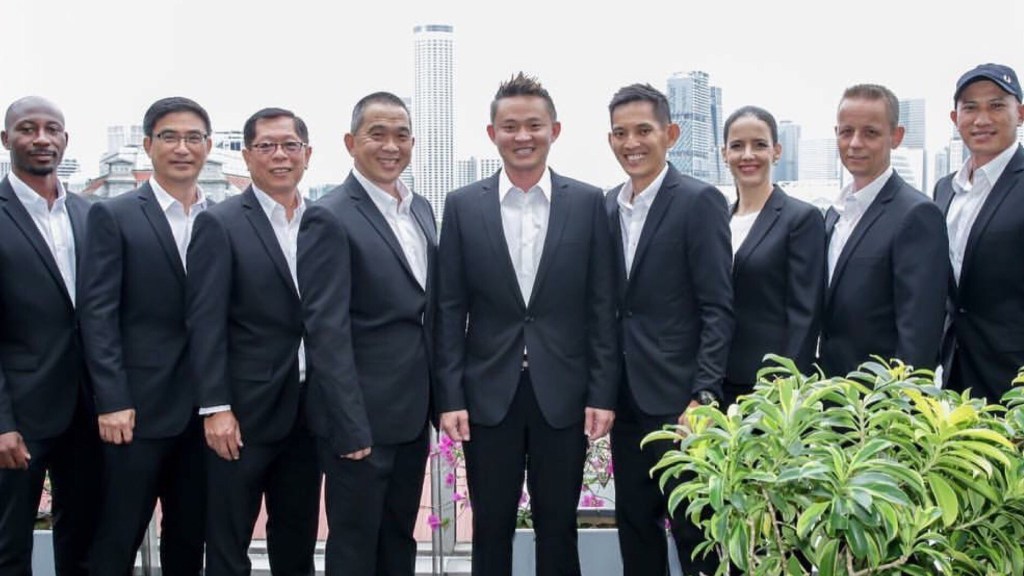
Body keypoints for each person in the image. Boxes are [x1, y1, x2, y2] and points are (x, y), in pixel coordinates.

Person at [435, 72, 617, 576]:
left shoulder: (589, 203)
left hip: (564, 394)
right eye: (510, 126)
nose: (522, 136)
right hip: (488, 395)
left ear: (554, 130)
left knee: (558, 528)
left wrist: (602, 392)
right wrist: (449, 397)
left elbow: (601, 306)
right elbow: (449, 310)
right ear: (491, 133)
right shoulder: (463, 205)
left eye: (534, 125)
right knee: (491, 527)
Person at [297, 91, 435, 576]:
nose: (391, 146)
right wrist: (349, 424)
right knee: (355, 547)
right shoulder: (329, 215)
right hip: (359, 421)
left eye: (401, 135)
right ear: (351, 142)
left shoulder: (420, 210)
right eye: (378, 134)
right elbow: (325, 331)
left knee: (399, 540)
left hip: (411, 415)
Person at [604, 83, 733, 576]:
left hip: (681, 403)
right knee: (635, 526)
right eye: (620, 133)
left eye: (643, 130)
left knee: (695, 532)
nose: (631, 143)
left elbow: (718, 307)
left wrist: (703, 394)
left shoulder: (699, 202)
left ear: (671, 134)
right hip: (627, 402)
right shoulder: (607, 206)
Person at [186, 108, 321, 576]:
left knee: (297, 541)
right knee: (229, 543)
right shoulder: (220, 223)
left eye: (290, 145)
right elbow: (204, 321)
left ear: (307, 154)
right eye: (266, 146)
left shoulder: (322, 221)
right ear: (246, 156)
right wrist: (216, 407)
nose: (280, 155)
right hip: (242, 414)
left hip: (308, 411)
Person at [80, 96, 210, 575]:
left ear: (208, 146)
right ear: (148, 145)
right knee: (116, 538)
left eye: (193, 137)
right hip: (135, 412)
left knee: (189, 540)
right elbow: (98, 314)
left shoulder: (220, 216)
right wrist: (112, 400)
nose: (182, 148)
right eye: (170, 137)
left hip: (205, 413)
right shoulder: (113, 215)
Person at [0, 96, 100, 575]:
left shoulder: (89, 213)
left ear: (65, 139)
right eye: (28, 128)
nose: (41, 138)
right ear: (6, 139)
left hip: (89, 409)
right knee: (8, 546)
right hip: (20, 413)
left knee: (84, 542)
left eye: (51, 129)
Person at [821, 84, 948, 377]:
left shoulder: (917, 214)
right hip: (829, 391)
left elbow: (920, 333)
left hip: (880, 395)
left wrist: (900, 399)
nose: (855, 143)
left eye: (870, 133)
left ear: (896, 136)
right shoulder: (833, 213)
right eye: (846, 131)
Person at [722, 105, 826, 403]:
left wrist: (784, 388)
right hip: (716, 381)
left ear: (776, 151)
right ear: (724, 153)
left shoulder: (800, 219)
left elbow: (805, 315)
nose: (748, 155)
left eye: (759, 145)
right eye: (737, 146)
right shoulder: (718, 219)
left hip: (768, 388)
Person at [936, 63, 1024, 401]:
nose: (982, 119)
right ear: (955, 118)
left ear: (1020, 114)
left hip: (1013, 377)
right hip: (954, 372)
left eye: (996, 105)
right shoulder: (945, 189)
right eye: (970, 108)